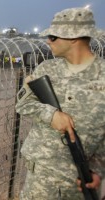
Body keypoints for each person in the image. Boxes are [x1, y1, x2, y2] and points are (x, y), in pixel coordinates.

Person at [15, 7, 105, 199]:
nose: (48, 41)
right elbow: (22, 103)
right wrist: (51, 115)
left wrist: (98, 171)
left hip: (79, 181)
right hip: (40, 179)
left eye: (53, 37)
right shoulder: (47, 69)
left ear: (73, 38)